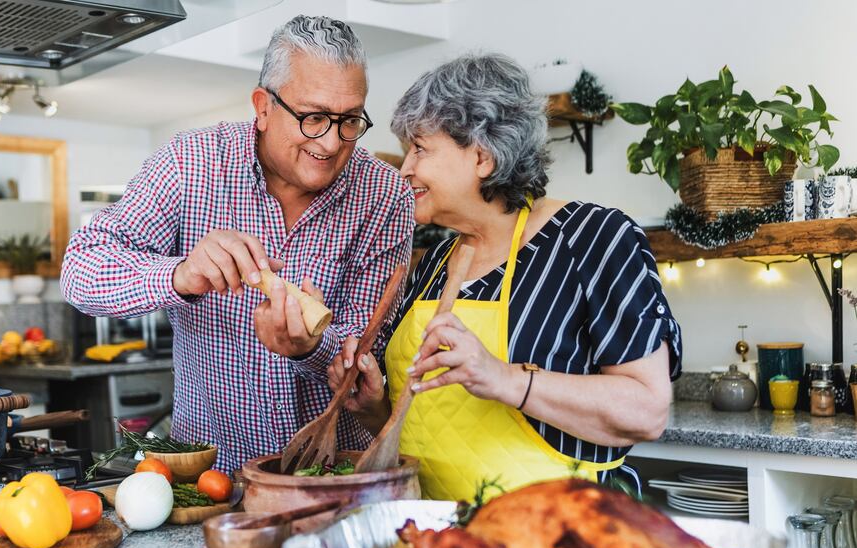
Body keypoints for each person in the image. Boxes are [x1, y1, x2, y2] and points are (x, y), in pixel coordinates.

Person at [62, 16, 414, 471]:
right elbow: (81, 271)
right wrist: (179, 275)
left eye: (349, 120)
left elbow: (366, 351)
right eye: (314, 118)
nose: (330, 142)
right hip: (207, 477)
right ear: (263, 107)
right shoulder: (190, 164)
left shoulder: (384, 194)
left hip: (332, 472)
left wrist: (309, 349)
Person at [329, 54, 680, 501]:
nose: (406, 170)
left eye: (420, 148)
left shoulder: (595, 239)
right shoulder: (437, 261)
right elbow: (428, 426)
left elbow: (647, 410)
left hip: (559, 537)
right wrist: (375, 406)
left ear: (482, 155)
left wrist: (505, 379)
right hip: (437, 538)